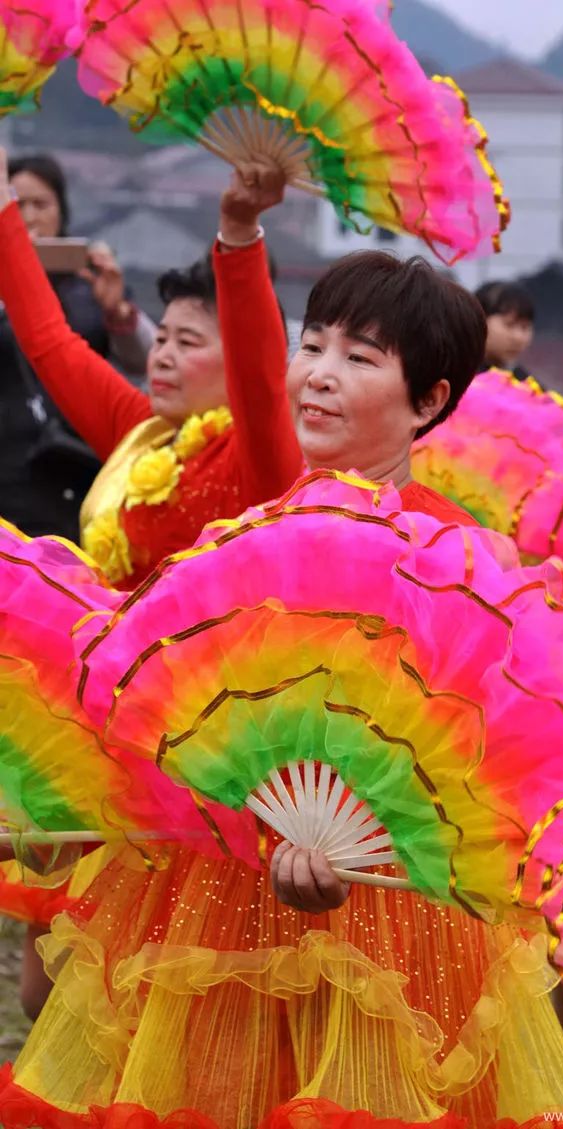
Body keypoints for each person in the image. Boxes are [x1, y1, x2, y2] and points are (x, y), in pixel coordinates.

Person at [0, 216, 563, 1124]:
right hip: (223, 889)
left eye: (359, 357)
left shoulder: (460, 565)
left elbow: (490, 780)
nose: (318, 372)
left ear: (428, 400)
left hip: (403, 916)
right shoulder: (254, 543)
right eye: (313, 344)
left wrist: (366, 851)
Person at [0, 145, 301, 1021]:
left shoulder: (257, 456)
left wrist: (238, 236)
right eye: (159, 336)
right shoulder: (139, 432)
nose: (162, 354)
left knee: (144, 996)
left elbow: (260, 366)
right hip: (99, 730)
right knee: (46, 984)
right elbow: (49, 339)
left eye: (187, 340)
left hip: (204, 747)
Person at [2, 153, 157, 542]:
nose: (31, 217)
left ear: (62, 210)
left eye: (42, 204)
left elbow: (149, 365)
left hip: (75, 466)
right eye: (17, 205)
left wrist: (118, 310)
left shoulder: (89, 283)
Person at [474, 279, 535, 379]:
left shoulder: (527, 385)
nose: (518, 337)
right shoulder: (457, 376)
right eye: (509, 325)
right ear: (480, 319)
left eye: (525, 327)